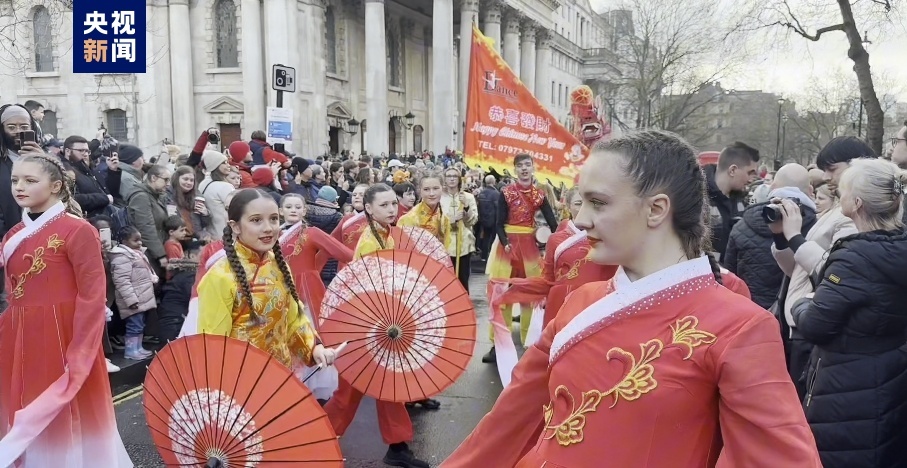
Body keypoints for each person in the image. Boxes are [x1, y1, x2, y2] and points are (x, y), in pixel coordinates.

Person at [442, 131, 820, 467]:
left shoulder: (739, 326)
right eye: (581, 202)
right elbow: (506, 425)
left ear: (656, 209)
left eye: (598, 202)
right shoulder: (581, 303)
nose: (581, 220)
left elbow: (775, 458)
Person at [0, 154, 132, 467]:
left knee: (65, 413)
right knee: (21, 403)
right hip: (18, 333)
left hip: (65, 335)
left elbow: (92, 295)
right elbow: (12, 292)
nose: (19, 187)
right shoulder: (13, 234)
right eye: (15, 180)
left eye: (30, 180)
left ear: (56, 186)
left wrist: (82, 349)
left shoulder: (78, 230)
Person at [793, 158, 907, 467]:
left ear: (856, 203)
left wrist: (801, 303)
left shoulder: (855, 257)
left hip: (848, 392)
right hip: (891, 378)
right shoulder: (897, 248)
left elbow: (815, 325)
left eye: (842, 190)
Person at [323, 184, 430, 468]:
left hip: (383, 322)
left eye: (393, 203)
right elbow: (368, 289)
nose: (392, 209)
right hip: (364, 325)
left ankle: (398, 446)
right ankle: (318, 439)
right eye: (384, 205)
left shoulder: (387, 234)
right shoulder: (370, 241)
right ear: (368, 208)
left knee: (389, 386)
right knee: (349, 393)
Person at [196, 188, 337, 376]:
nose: (268, 228)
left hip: (280, 374)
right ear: (235, 226)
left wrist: (315, 348)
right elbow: (212, 344)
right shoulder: (220, 276)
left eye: (273, 219)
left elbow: (293, 319)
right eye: (256, 220)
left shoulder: (278, 265)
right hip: (240, 378)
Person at [771, 137, 862, 398]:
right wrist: (781, 237)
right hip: (798, 321)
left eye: (832, 169)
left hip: (813, 322)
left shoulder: (850, 216)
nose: (826, 177)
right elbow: (796, 271)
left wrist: (795, 237)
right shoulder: (834, 211)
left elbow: (834, 273)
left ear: (857, 166)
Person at [483, 154, 558, 362]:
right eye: (520, 166)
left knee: (530, 296)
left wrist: (559, 240)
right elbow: (499, 224)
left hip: (529, 247)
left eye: (527, 165)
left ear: (533, 168)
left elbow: (553, 223)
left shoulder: (539, 195)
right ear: (514, 169)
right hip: (507, 248)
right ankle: (498, 344)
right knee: (501, 294)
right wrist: (504, 241)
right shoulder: (506, 193)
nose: (524, 169)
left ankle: (531, 344)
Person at [703, 142, 759, 263]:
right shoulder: (698, 197)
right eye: (749, 173)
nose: (751, 180)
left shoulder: (743, 200)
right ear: (732, 170)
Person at [109, 225, 159, 360]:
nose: (140, 243)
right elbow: (122, 281)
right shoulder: (122, 257)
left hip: (141, 297)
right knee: (134, 325)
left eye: (140, 240)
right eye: (135, 240)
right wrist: (131, 300)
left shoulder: (136, 254)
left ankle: (138, 348)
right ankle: (131, 350)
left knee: (139, 324)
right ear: (124, 241)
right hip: (133, 299)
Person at [441, 167, 478, 288]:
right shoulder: (439, 198)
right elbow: (436, 220)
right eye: (449, 176)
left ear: (459, 179)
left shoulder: (468, 197)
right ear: (444, 179)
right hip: (445, 245)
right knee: (446, 280)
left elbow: (473, 220)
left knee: (463, 280)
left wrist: (466, 208)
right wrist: (451, 220)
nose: (452, 179)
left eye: (454, 176)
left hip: (463, 245)